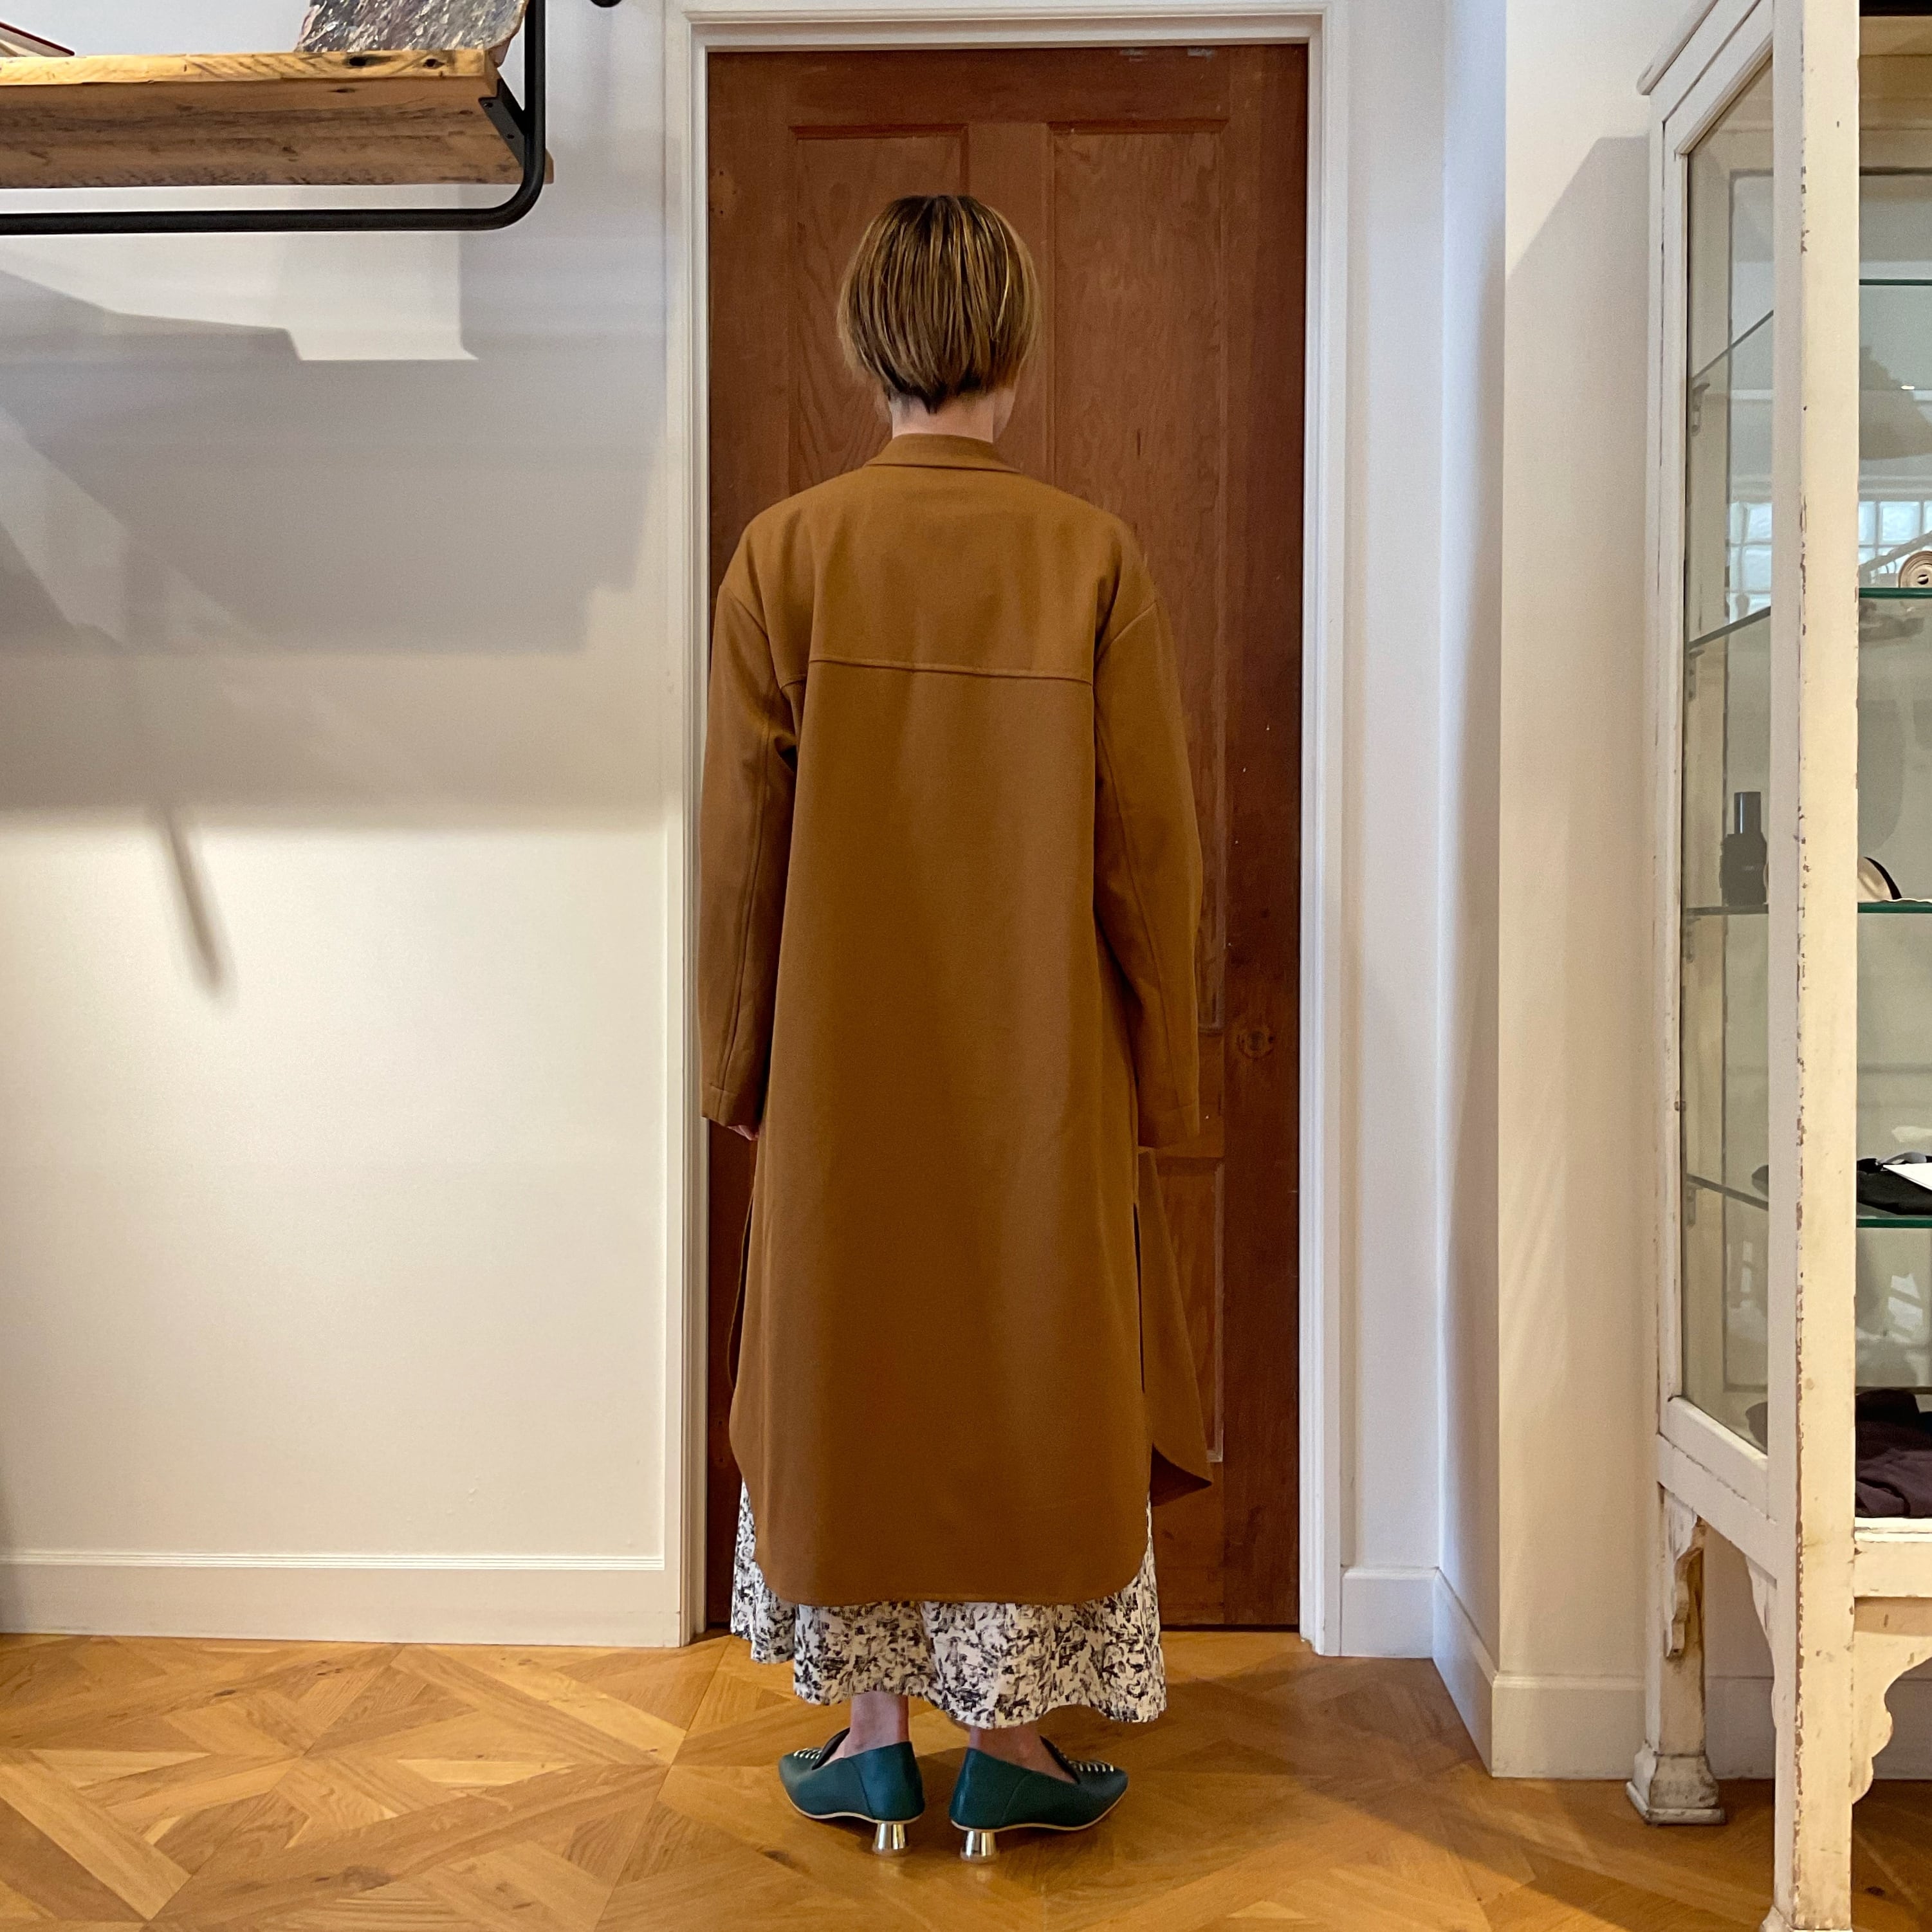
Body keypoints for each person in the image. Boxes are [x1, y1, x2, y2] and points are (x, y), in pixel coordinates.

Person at [698, 192, 1209, 1861]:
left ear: (865, 344)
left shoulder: (785, 555)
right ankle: (1008, 1743)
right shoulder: (1088, 557)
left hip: (838, 1080)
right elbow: (1148, 857)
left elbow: (740, 854)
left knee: (850, 1379)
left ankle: (871, 1746)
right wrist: (1166, 1077)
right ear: (1015, 340)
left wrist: (735, 1065)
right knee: (1024, 1376)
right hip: (1043, 1076)